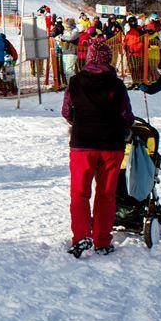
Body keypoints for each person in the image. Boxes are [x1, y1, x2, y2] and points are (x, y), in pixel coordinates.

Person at [61, 41, 134, 257]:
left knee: (79, 193)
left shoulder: (75, 82)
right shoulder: (117, 84)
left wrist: (80, 121)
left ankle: (82, 236)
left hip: (83, 143)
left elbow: (66, 111)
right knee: (106, 194)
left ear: (89, 57)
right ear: (108, 59)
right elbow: (126, 115)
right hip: (112, 145)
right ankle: (102, 240)